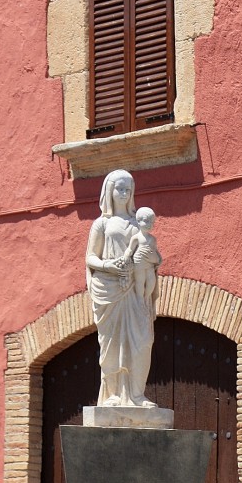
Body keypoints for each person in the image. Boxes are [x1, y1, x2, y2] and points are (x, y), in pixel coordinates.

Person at [85, 170, 159, 408]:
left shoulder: (139, 222)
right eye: (120, 188)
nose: (125, 194)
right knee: (112, 344)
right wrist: (110, 266)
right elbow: (90, 258)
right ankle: (114, 394)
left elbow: (149, 250)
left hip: (137, 289)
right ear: (109, 191)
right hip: (110, 289)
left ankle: (137, 395)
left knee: (143, 340)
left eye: (129, 189)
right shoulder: (102, 224)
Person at [121, 207, 162, 305]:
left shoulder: (153, 239)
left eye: (152, 223)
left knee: (151, 281)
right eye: (146, 221)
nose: (149, 225)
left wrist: (159, 260)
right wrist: (126, 257)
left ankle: (146, 297)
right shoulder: (136, 237)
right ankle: (140, 299)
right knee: (140, 281)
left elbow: (155, 251)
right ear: (138, 221)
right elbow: (130, 249)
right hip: (139, 262)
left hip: (150, 263)